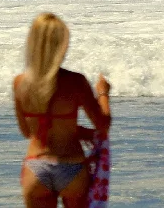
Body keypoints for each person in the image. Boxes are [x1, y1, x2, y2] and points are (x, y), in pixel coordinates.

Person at [13, 12, 112, 207]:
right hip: (72, 166)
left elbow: (27, 132)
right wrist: (103, 94)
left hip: (36, 167)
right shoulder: (76, 81)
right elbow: (103, 125)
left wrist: (71, 129)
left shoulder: (20, 83)